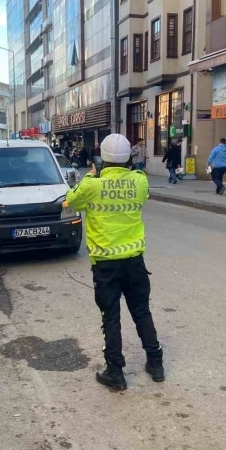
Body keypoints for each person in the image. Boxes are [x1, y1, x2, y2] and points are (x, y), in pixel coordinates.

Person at [66, 134, 162, 391]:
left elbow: (71, 200)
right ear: (129, 158)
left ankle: (115, 372)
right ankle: (155, 363)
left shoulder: (92, 185)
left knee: (111, 317)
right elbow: (142, 198)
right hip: (134, 261)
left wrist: (91, 175)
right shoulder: (139, 181)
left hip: (106, 264)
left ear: (101, 158)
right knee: (142, 311)